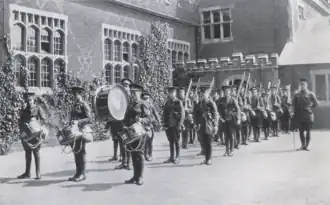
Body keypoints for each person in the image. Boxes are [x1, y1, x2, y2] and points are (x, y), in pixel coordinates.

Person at [123, 83, 151, 185]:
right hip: (131, 133)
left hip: (141, 133)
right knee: (133, 154)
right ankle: (135, 176)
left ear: (139, 93)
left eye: (135, 92)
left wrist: (141, 120)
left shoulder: (143, 104)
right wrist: (124, 125)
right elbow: (125, 118)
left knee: (140, 154)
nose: (133, 94)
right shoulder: (130, 105)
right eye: (132, 92)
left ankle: (140, 177)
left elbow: (149, 119)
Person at [17, 92, 46, 180]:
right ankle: (27, 173)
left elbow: (43, 119)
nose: (29, 102)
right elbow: (20, 121)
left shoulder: (38, 108)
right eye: (28, 100)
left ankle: (38, 173)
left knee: (36, 152)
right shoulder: (24, 109)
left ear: (33, 100)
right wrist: (22, 133)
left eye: (31, 100)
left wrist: (40, 127)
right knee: (27, 152)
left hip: (36, 132)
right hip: (26, 132)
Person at [67, 86, 92, 182]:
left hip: (81, 131)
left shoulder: (84, 105)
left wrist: (78, 122)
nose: (73, 96)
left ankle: (82, 174)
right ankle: (78, 173)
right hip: (74, 131)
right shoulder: (74, 105)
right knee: (76, 152)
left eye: (75, 94)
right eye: (73, 94)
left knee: (81, 152)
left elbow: (89, 119)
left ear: (80, 94)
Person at [112, 78, 133, 170]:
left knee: (130, 143)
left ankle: (129, 163)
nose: (125, 87)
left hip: (130, 125)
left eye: (127, 85)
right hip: (120, 125)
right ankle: (124, 162)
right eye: (124, 85)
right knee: (122, 143)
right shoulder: (118, 98)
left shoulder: (132, 98)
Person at [292, 79, 318, 151]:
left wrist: (310, 107)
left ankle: (307, 145)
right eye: (301, 85)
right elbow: (293, 104)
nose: (302, 86)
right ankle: (302, 145)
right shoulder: (297, 95)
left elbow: (316, 103)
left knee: (308, 131)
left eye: (304, 85)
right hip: (299, 115)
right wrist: (292, 112)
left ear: (306, 85)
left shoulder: (310, 94)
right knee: (301, 131)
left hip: (308, 115)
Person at [195, 86, 219, 165]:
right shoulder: (199, 103)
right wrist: (196, 123)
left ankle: (209, 159)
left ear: (208, 93)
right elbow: (196, 114)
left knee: (209, 143)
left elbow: (215, 114)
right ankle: (206, 159)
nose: (202, 95)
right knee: (204, 142)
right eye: (201, 94)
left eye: (204, 93)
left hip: (209, 125)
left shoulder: (211, 103)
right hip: (201, 126)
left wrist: (215, 125)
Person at [163, 87, 184, 164]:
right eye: (170, 93)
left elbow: (182, 114)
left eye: (172, 93)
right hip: (169, 125)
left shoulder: (178, 102)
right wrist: (164, 124)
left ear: (175, 93)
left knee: (177, 142)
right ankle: (171, 157)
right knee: (170, 141)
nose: (171, 94)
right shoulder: (167, 102)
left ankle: (177, 157)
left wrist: (179, 125)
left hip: (176, 125)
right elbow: (164, 114)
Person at [217, 85, 240, 156]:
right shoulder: (220, 100)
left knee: (231, 135)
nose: (226, 93)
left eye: (228, 91)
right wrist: (220, 118)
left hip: (231, 119)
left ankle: (232, 150)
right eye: (225, 91)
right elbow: (218, 110)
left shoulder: (233, 100)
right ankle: (226, 151)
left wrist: (238, 119)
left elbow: (238, 109)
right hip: (224, 120)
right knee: (226, 136)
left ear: (230, 92)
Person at [141, 91, 161, 161]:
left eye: (147, 98)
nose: (146, 100)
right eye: (144, 98)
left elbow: (156, 114)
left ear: (149, 99)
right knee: (144, 141)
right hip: (143, 126)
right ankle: (145, 154)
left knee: (150, 141)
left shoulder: (151, 106)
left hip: (150, 125)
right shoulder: (141, 106)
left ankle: (150, 154)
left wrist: (159, 122)